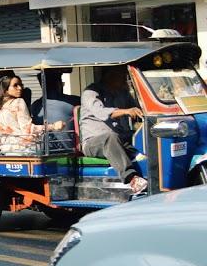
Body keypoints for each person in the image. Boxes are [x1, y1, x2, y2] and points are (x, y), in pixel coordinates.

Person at [80, 66, 147, 194]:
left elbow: (136, 108)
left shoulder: (122, 93)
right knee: (110, 137)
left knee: (137, 136)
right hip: (93, 143)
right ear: (109, 75)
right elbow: (101, 112)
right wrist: (126, 111)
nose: (124, 79)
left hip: (118, 138)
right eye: (121, 75)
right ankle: (132, 178)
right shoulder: (90, 92)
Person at [0, 75, 63, 154]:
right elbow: (28, 129)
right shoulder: (18, 102)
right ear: (6, 90)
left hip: (6, 150)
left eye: (21, 85)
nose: (20, 88)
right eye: (15, 85)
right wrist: (53, 126)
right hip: (25, 149)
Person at [31, 70, 80, 151]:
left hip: (45, 150)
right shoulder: (73, 101)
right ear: (58, 83)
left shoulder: (36, 105)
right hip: (70, 150)